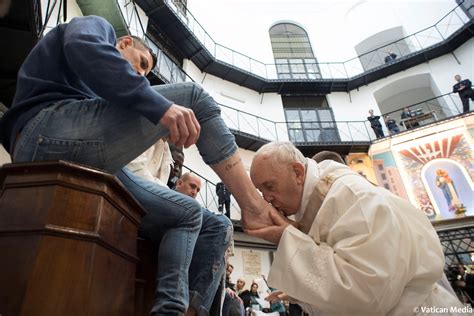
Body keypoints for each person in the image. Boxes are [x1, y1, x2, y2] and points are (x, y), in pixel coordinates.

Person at [0, 16, 273, 315]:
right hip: (46, 129)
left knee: (192, 214)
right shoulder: (96, 27)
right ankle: (254, 208)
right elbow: (83, 46)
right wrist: (160, 107)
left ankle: (173, 310)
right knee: (194, 98)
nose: (142, 75)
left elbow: (111, 109)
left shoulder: (108, 93)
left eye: (145, 71)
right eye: (142, 63)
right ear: (124, 43)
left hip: (89, 156)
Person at [248, 141, 464, 315]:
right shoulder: (324, 199)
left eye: (270, 186)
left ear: (297, 173)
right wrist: (300, 292)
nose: (266, 198)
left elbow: (368, 294)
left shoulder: (353, 198)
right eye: (260, 190)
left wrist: (287, 238)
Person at [126, 141, 233, 315]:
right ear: (179, 184)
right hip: (136, 204)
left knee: (218, 253)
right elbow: (135, 172)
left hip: (160, 215)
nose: (195, 192)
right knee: (220, 224)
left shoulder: (166, 152)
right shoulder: (144, 132)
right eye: (192, 186)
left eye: (198, 189)